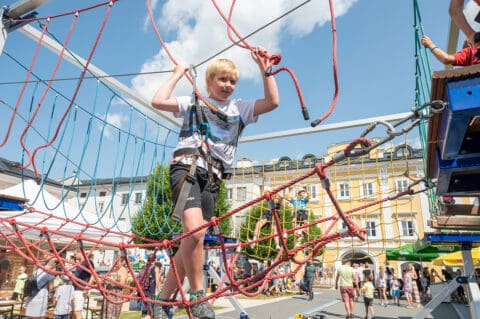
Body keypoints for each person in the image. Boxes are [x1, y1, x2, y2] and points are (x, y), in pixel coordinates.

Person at [150, 46, 279, 319]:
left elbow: (272, 103)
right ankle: (198, 296)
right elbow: (158, 101)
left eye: (232, 81)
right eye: (222, 79)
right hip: (187, 167)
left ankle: (161, 302)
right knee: (194, 233)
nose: (228, 85)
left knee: (190, 242)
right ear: (209, 83)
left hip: (214, 178)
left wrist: (265, 68)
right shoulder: (195, 102)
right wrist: (176, 74)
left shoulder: (239, 108)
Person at [71, 249, 95, 319]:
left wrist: (87, 287)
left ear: (80, 252)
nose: (75, 257)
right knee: (73, 311)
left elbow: (93, 275)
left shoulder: (87, 261)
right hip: (74, 288)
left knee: (77, 311)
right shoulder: (79, 263)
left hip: (81, 288)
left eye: (75, 255)